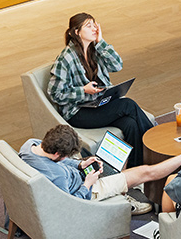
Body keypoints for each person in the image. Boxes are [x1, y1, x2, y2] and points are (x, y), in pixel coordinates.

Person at [48, 12, 153, 168]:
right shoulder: (66, 58)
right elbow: (55, 93)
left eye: (94, 25)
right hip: (78, 112)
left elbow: (118, 65)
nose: (94, 29)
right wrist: (83, 90)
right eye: (88, 26)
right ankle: (155, 147)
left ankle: (137, 169)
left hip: (98, 104)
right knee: (128, 105)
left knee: (129, 124)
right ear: (77, 32)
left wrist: (101, 41)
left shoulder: (96, 49)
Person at [19, 125, 181, 215]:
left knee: (119, 160)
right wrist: (88, 184)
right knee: (146, 172)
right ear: (57, 153)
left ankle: (121, 194)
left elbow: (57, 163)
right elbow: (70, 205)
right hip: (88, 191)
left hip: (78, 176)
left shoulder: (30, 145)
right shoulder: (58, 175)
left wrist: (79, 164)